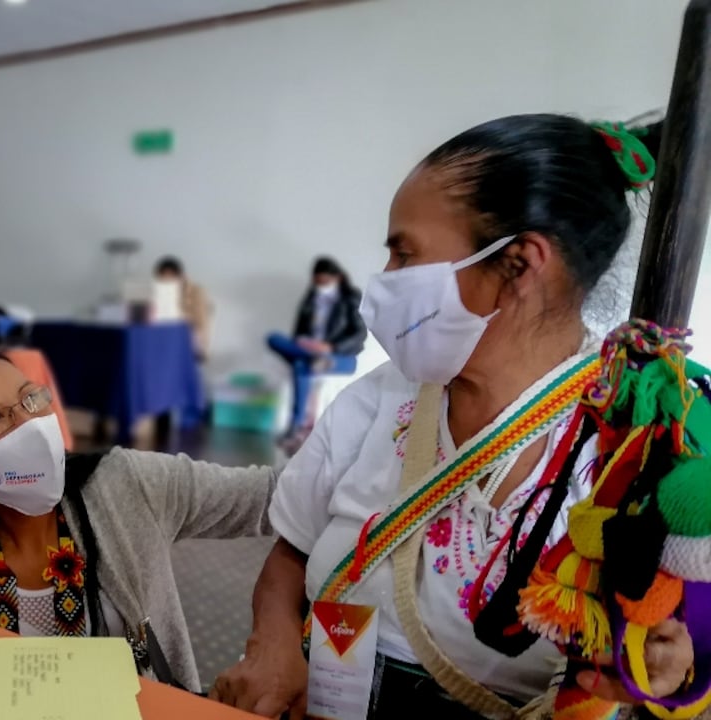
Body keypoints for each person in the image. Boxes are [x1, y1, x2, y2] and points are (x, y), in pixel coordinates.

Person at [211, 115, 695, 718]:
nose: (384, 282)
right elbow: (292, 553)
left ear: (520, 264)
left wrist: (671, 676)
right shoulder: (375, 402)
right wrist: (275, 644)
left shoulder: (629, 443)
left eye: (404, 253)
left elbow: (678, 652)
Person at [0, 350, 276, 691]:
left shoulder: (124, 482)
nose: (30, 424)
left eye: (30, 399)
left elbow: (274, 495)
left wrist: (281, 629)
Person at [265, 257, 366, 448]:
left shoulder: (351, 298)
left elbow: (359, 335)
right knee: (273, 338)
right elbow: (297, 332)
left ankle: (295, 426)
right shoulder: (310, 299)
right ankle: (314, 359)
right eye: (318, 282)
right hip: (310, 353)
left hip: (341, 357)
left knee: (300, 365)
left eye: (325, 282)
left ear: (338, 278)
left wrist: (330, 348)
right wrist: (304, 343)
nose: (321, 286)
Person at [154, 257, 212, 361]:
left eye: (171, 278)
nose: (167, 282)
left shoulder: (196, 291)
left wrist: (176, 314)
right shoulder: (156, 291)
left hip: (189, 340)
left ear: (180, 276)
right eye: (163, 279)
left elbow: (201, 322)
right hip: (164, 337)